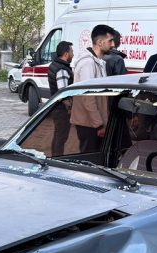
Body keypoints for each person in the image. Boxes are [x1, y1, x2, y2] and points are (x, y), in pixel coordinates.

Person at [71, 24, 113, 153]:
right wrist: (99, 124)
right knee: (89, 161)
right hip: (89, 124)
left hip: (94, 123)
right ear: (100, 42)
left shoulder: (97, 62)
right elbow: (87, 97)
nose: (113, 45)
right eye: (110, 41)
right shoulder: (88, 63)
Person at [48, 41, 74, 155]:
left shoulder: (54, 65)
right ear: (66, 53)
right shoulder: (62, 69)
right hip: (61, 110)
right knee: (61, 138)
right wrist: (70, 107)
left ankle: (55, 157)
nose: (73, 54)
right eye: (72, 51)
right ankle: (57, 159)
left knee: (58, 136)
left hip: (57, 108)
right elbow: (63, 93)